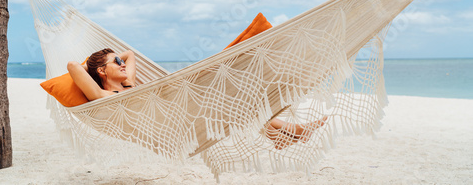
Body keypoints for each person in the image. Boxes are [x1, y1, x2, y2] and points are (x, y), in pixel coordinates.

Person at [68, 48, 327, 149]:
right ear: (101, 72)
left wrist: (115, 61)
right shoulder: (102, 94)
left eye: (120, 61)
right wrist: (96, 65)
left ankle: (279, 135)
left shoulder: (129, 83)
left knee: (237, 102)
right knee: (232, 101)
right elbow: (72, 66)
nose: (122, 63)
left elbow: (131, 54)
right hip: (169, 126)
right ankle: (292, 130)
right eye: (116, 62)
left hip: (180, 111)